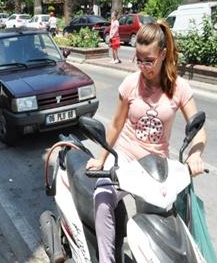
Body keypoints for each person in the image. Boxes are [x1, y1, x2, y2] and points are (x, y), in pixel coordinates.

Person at [86, 20, 207, 263]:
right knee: (102, 196)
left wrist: (195, 155)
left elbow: (199, 131)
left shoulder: (179, 87)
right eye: (138, 60)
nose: (143, 67)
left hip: (157, 168)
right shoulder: (130, 84)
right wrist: (101, 158)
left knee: (165, 226)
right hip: (126, 160)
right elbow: (116, 125)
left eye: (148, 60)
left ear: (163, 54)